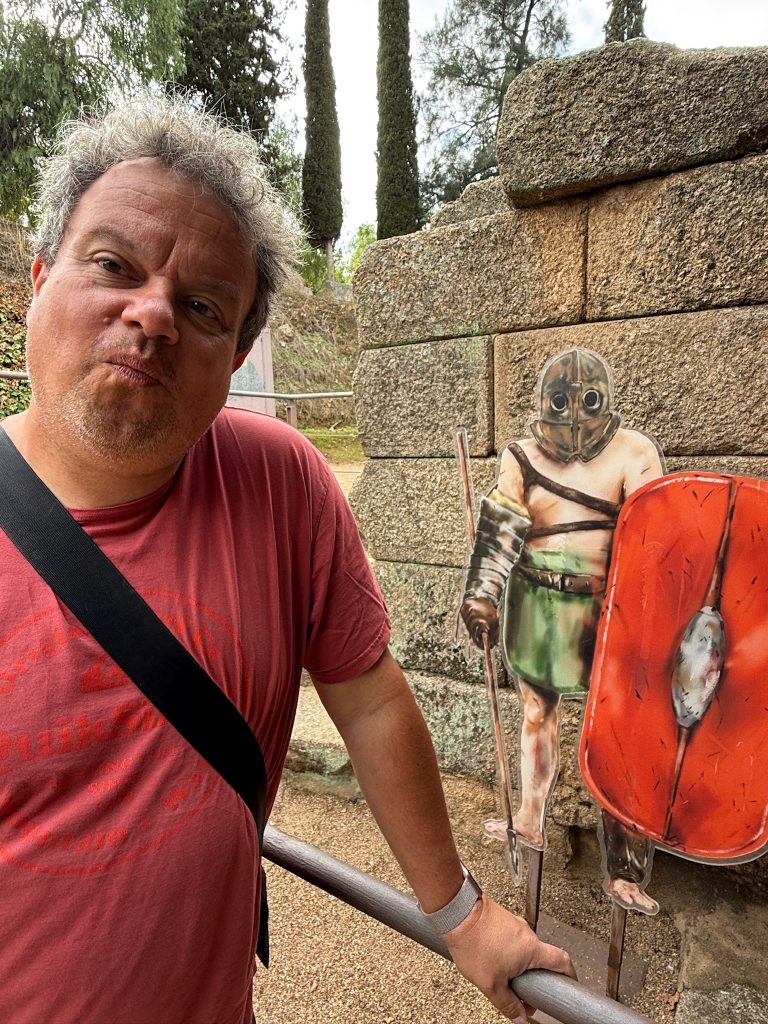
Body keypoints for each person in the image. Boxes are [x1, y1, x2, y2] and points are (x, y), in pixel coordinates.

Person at [0, 95, 574, 1024]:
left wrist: (461, 914)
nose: (153, 314)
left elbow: (372, 701)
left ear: (233, 358)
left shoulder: (281, 484)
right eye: (113, 265)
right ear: (39, 278)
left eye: (203, 306)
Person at [461, 348, 663, 915]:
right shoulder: (521, 457)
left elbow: (658, 538)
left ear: (604, 403)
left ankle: (625, 869)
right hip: (537, 602)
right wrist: (483, 595)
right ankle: (529, 819)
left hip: (608, 613)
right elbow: (500, 530)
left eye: (586, 401)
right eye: (562, 401)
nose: (573, 413)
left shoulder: (635, 453)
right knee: (536, 712)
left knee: (618, 734)